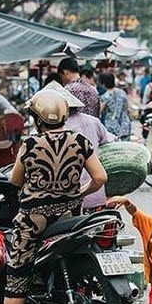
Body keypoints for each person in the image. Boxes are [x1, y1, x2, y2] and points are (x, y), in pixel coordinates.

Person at [0, 91, 107, 304]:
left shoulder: (30, 145)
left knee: (18, 271)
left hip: (33, 220)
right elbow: (100, 177)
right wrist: (79, 193)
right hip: (71, 217)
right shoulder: (80, 141)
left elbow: (16, 182)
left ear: (37, 119)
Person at [54, 82, 116, 213]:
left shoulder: (56, 128)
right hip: (96, 195)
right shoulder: (93, 121)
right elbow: (109, 141)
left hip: (67, 197)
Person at [99, 73, 132, 140]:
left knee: (115, 149)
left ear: (104, 83)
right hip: (125, 124)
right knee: (126, 147)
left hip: (111, 126)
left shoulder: (105, 96)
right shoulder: (122, 92)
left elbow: (100, 111)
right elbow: (127, 107)